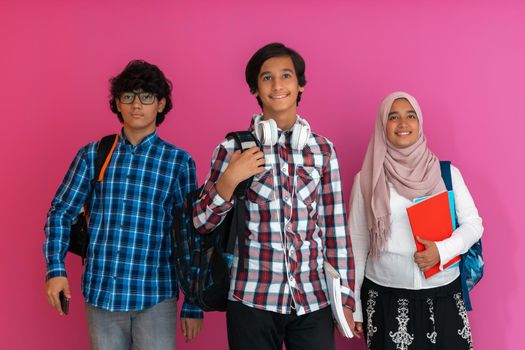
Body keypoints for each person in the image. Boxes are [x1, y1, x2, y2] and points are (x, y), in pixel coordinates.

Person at [192, 42, 357, 350]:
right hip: (251, 297)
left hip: (313, 298)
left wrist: (345, 297)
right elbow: (201, 222)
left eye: (286, 76)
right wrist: (229, 180)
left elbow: (336, 231)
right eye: (267, 78)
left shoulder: (322, 150)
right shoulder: (232, 149)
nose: (278, 85)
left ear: (300, 85)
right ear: (255, 89)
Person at [43, 60, 203, 349]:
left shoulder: (179, 162)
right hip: (102, 294)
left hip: (155, 295)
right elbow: (61, 212)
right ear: (117, 103)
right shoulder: (94, 154)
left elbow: (189, 236)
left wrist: (192, 302)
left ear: (161, 104)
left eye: (146, 97)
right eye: (128, 96)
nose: (136, 105)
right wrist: (56, 270)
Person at [349, 91, 483, 349]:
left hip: (443, 295)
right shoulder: (366, 180)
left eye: (410, 116)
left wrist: (442, 251)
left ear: (419, 122)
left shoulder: (446, 174)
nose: (403, 123)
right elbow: (357, 243)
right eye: (393, 117)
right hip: (386, 298)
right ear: (382, 125)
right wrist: (354, 306)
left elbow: (473, 224)